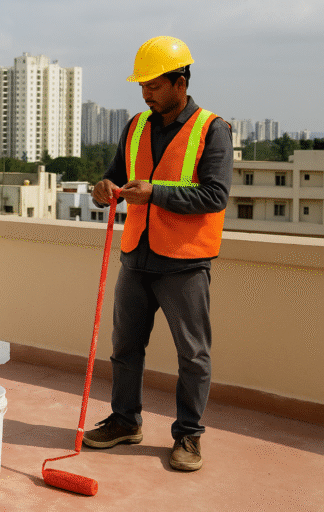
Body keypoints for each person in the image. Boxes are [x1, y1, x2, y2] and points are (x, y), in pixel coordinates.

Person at [84, 36, 233, 471]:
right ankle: (124, 421)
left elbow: (215, 196)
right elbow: (114, 179)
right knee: (125, 346)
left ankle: (188, 437)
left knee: (192, 353)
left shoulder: (212, 129)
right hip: (136, 254)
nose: (145, 93)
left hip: (184, 262)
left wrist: (156, 194)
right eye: (142, 86)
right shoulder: (135, 126)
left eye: (153, 85)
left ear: (180, 82)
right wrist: (102, 190)